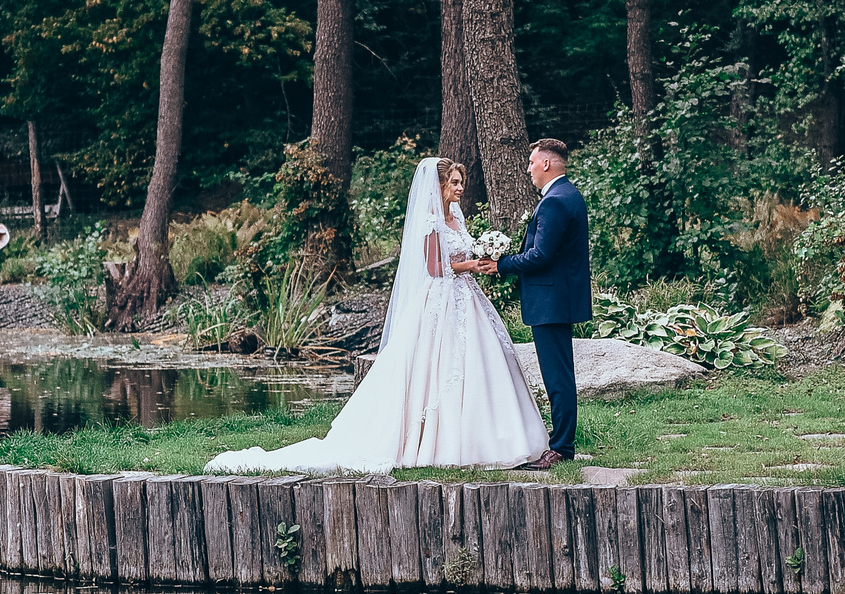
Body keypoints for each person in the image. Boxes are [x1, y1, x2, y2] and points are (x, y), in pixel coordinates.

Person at [204, 157, 547, 474]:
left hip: (466, 298)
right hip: (441, 300)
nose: (460, 188)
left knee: (476, 365)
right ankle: (433, 441)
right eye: (454, 182)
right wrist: (472, 264)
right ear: (439, 185)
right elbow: (434, 268)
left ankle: (494, 436)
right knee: (436, 367)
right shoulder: (430, 221)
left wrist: (485, 252)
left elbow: (459, 254)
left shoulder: (455, 216)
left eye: (461, 182)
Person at [480, 139, 590, 469]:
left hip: (552, 300)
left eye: (531, 162)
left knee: (557, 377)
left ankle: (561, 447)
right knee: (559, 374)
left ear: (546, 164)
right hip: (557, 298)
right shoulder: (565, 195)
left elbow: (542, 255)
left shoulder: (556, 201)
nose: (528, 169)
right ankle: (562, 442)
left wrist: (502, 264)